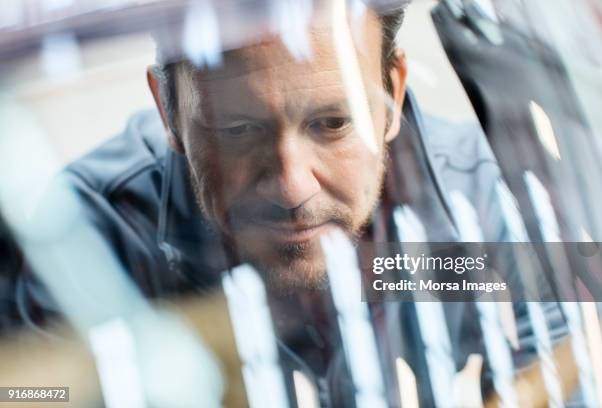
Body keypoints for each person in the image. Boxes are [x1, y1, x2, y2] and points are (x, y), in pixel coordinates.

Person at [11, 1, 570, 406]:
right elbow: (30, 390)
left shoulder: (498, 198)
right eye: (236, 129)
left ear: (393, 94)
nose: (291, 187)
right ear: (168, 112)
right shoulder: (76, 240)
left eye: (331, 123)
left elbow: (576, 355)